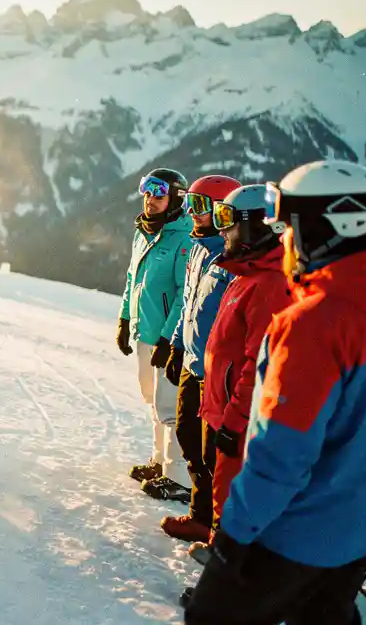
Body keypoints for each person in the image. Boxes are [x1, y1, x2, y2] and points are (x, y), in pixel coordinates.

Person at [184, 160, 366, 625]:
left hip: (289, 535)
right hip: (357, 525)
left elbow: (281, 455)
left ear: (322, 230)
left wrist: (231, 539)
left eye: (286, 225)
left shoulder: (311, 324)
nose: (281, 238)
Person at [184, 184, 292, 563]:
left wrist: (235, 420)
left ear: (259, 227)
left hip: (237, 418)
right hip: (223, 409)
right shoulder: (245, 274)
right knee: (222, 492)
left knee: (235, 499)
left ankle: (229, 575)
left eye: (228, 220)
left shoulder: (269, 284)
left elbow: (259, 364)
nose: (221, 229)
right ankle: (221, 554)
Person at [158, 174, 241, 542]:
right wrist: (177, 344)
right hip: (192, 363)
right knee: (188, 438)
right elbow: (188, 307)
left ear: (223, 212)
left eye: (201, 207)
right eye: (190, 204)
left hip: (216, 374)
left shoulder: (229, 258)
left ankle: (220, 528)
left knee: (214, 456)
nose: (193, 213)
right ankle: (199, 515)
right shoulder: (195, 248)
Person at [117, 167, 194, 502]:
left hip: (167, 339)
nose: (150, 200)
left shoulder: (183, 237)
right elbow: (132, 279)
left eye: (159, 194)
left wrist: (168, 338)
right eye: (147, 192)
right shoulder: (144, 231)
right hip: (144, 332)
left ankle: (179, 478)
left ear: (175, 197)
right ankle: (160, 462)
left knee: (170, 407)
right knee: (152, 401)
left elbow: (183, 293)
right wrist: (124, 319)